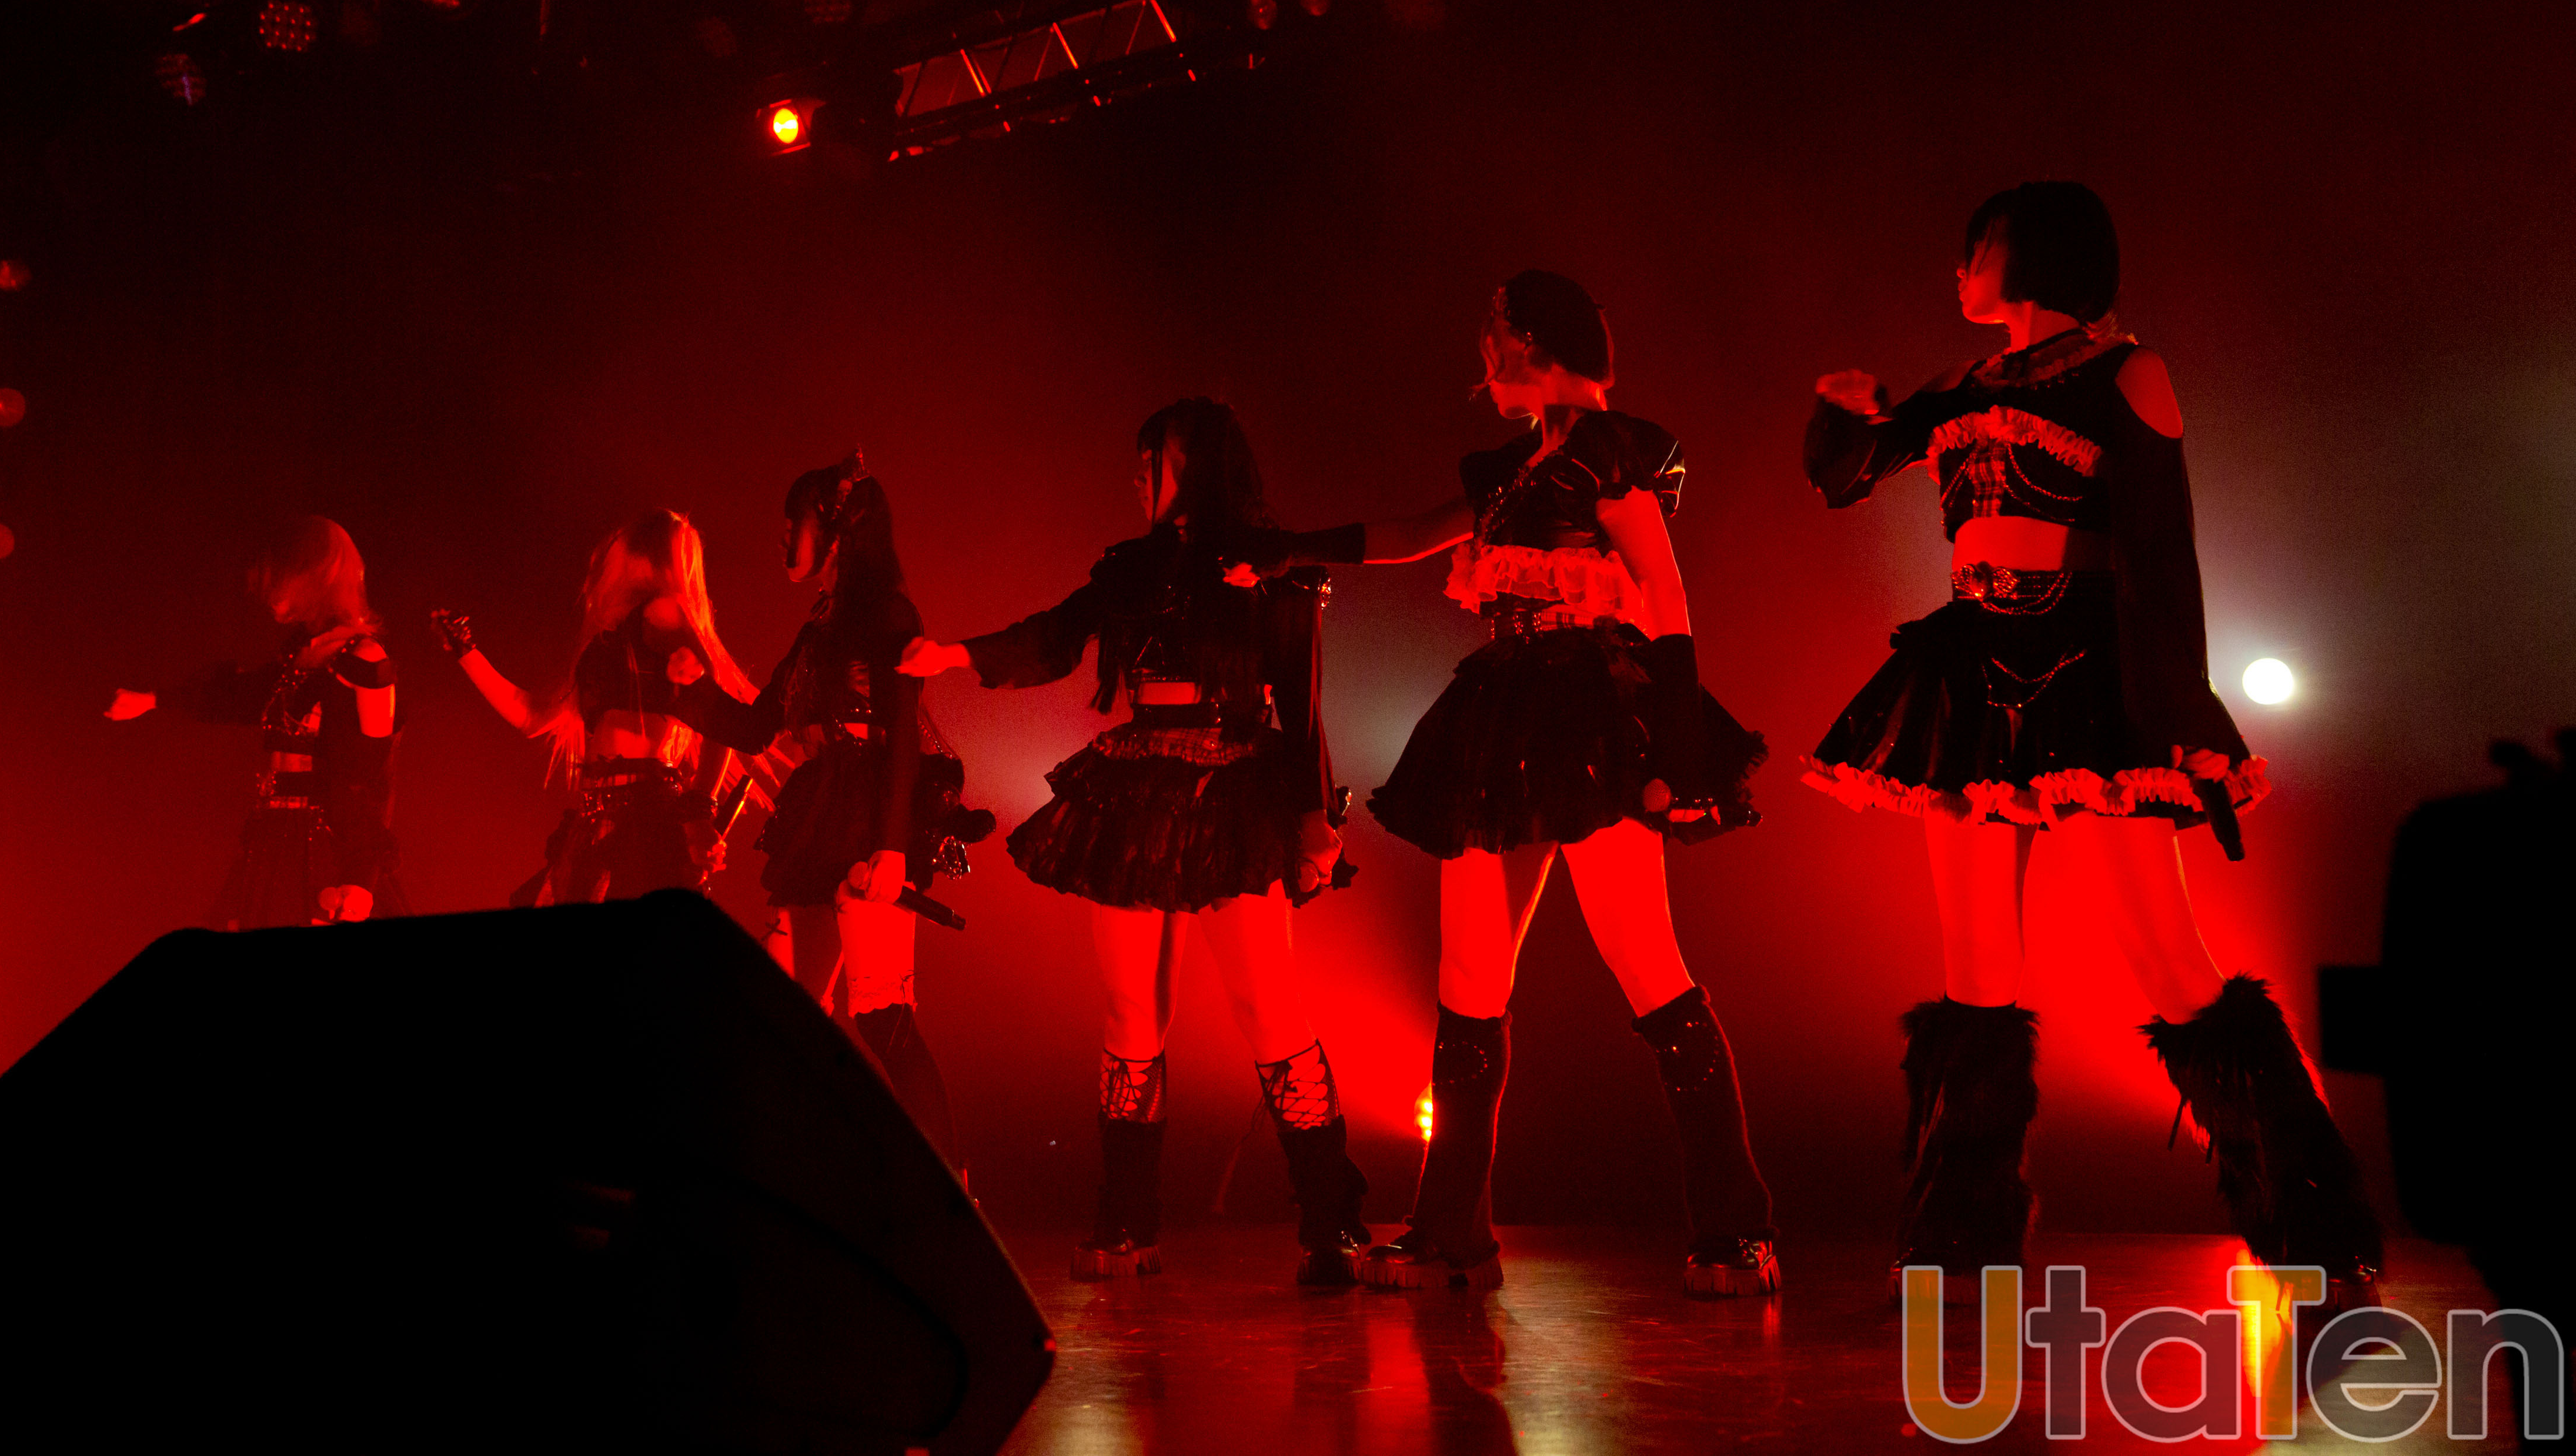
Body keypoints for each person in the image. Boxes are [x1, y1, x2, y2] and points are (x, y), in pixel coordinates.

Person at [1803, 180, 2381, 1306]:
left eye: (1976, 245)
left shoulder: (2128, 370)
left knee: (2169, 960)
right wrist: (1844, 412)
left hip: (2091, 674)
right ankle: (1959, 1231)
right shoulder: (1961, 386)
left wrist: (2182, 720)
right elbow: (1845, 476)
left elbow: (2163, 551)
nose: (1959, 269)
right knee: (1975, 969)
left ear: (2027, 252)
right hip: (1971, 669)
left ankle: (2317, 1219)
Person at [1225, 271, 1778, 1298]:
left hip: (1591, 710)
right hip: (1503, 710)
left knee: (1647, 963)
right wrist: (1286, 548)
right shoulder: (1511, 468)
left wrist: (1678, 752)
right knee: (1469, 977)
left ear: (1529, 340)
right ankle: (1451, 1235)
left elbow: (1665, 594)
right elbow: (1406, 535)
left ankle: (1737, 1226)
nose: (1483, 352)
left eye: (1493, 332)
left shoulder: (1612, 451)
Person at [900, 399, 1372, 1286]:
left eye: (1152, 459)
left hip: (1234, 788)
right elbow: (1054, 636)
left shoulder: (1271, 568)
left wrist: (1315, 817)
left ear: (1197, 467)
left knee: (1267, 1007)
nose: (1137, 476)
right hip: (1136, 785)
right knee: (1128, 1009)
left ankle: (1329, 1215)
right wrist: (954, 655)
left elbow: (1300, 701)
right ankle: (1126, 1218)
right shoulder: (1129, 568)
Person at [664, 454, 990, 1174]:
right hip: (820, 812)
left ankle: (948, 1186)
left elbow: (901, 733)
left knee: (883, 1016)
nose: (784, 537)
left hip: (867, 816)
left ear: (836, 526)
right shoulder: (818, 627)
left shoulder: (887, 613)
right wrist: (687, 691)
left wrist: (892, 847)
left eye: (795, 522)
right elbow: (756, 726)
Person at [431, 508, 756, 907]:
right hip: (598, 821)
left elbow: (719, 715)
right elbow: (532, 717)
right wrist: (466, 652)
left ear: (644, 555)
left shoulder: (662, 609)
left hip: (644, 817)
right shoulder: (609, 640)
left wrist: (700, 811)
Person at [106, 515, 402, 930]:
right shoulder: (299, 654)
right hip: (273, 835)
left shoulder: (365, 660)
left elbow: (374, 776)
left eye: (280, 579)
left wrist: (361, 875)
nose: (269, 595)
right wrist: (154, 700)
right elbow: (242, 696)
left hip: (322, 844)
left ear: (313, 578)